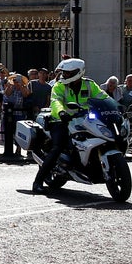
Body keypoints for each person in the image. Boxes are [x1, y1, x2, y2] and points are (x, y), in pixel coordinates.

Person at [31, 58, 108, 194]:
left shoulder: (89, 84)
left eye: (68, 73)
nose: (64, 75)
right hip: (60, 120)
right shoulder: (59, 86)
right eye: (64, 73)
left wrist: (116, 106)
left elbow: (103, 97)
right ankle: (37, 182)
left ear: (78, 72)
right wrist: (61, 112)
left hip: (84, 120)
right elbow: (55, 101)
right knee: (57, 147)